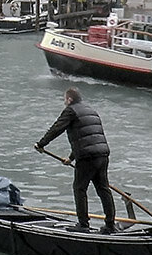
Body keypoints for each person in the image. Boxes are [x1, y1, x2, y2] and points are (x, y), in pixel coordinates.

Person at [34, 87, 116, 233]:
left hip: (87, 158)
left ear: (70, 99)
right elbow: (87, 137)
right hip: (102, 154)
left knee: (79, 188)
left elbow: (56, 128)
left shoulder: (70, 111)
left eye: (64, 99)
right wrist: (71, 158)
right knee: (104, 189)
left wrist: (41, 144)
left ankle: (83, 225)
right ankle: (110, 225)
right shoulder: (91, 110)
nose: (64, 102)